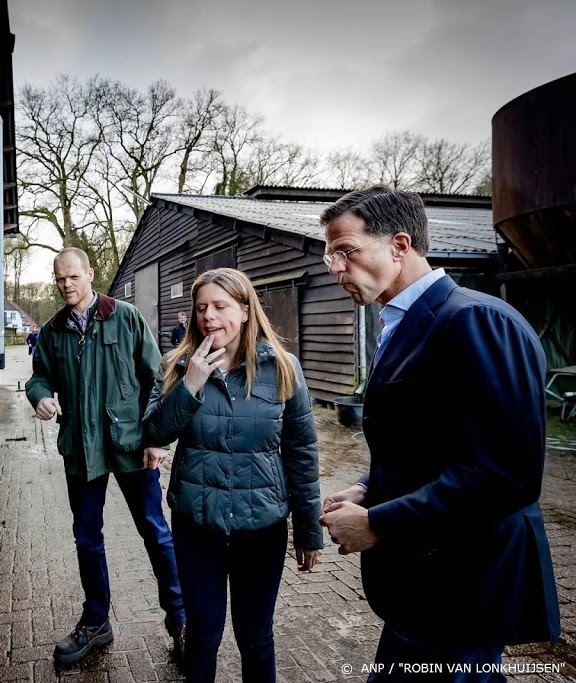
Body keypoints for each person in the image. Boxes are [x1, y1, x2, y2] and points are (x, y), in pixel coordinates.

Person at [318, 185, 560, 681]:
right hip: (427, 581)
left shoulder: (474, 319)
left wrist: (378, 522)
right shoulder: (401, 323)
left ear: (399, 246)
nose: (335, 268)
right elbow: (433, 440)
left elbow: (506, 474)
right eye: (329, 256)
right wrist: (369, 486)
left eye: (346, 251)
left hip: (463, 584)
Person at [142, 267, 322, 683]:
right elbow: (153, 432)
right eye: (202, 307)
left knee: (256, 638)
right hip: (196, 525)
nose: (209, 316)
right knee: (203, 637)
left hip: (261, 527)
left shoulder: (282, 368)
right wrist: (189, 386)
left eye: (220, 306)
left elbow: (301, 452)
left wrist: (308, 530)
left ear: (244, 310)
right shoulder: (178, 365)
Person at [26, 247, 186, 666]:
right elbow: (39, 376)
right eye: (60, 278)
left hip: (131, 445)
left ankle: (181, 617)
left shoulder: (125, 316)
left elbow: (157, 378)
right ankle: (96, 621)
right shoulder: (53, 330)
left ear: (90, 275)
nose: (66, 285)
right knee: (87, 539)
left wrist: (156, 438)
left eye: (73, 277)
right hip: (81, 450)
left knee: (155, 531)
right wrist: (40, 396)